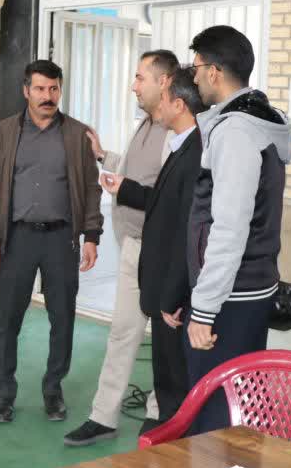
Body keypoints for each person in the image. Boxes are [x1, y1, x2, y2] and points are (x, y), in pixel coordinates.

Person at [66, 67, 205, 445]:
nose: (134, 85)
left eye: (141, 77)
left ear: (168, 90)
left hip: (167, 261)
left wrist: (174, 291)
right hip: (140, 252)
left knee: (168, 348)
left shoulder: (188, 145)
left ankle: (162, 418)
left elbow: (181, 219)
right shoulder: (152, 130)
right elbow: (155, 192)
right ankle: (105, 416)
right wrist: (116, 175)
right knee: (125, 334)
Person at [0, 59, 103, 423]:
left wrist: (91, 235)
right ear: (26, 91)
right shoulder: (2, 134)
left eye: (53, 89)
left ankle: (53, 390)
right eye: (40, 89)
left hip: (61, 239)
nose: (47, 96)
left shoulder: (77, 135)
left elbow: (91, 189)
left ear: (60, 90)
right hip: (17, 239)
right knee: (8, 321)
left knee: (62, 319)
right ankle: (3, 394)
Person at [187, 26, 291, 433]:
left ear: (213, 72)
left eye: (196, 69)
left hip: (230, 296)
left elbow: (229, 227)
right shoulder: (259, 121)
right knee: (242, 407)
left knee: (215, 416)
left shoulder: (235, 132)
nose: (194, 78)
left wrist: (204, 309)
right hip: (251, 288)